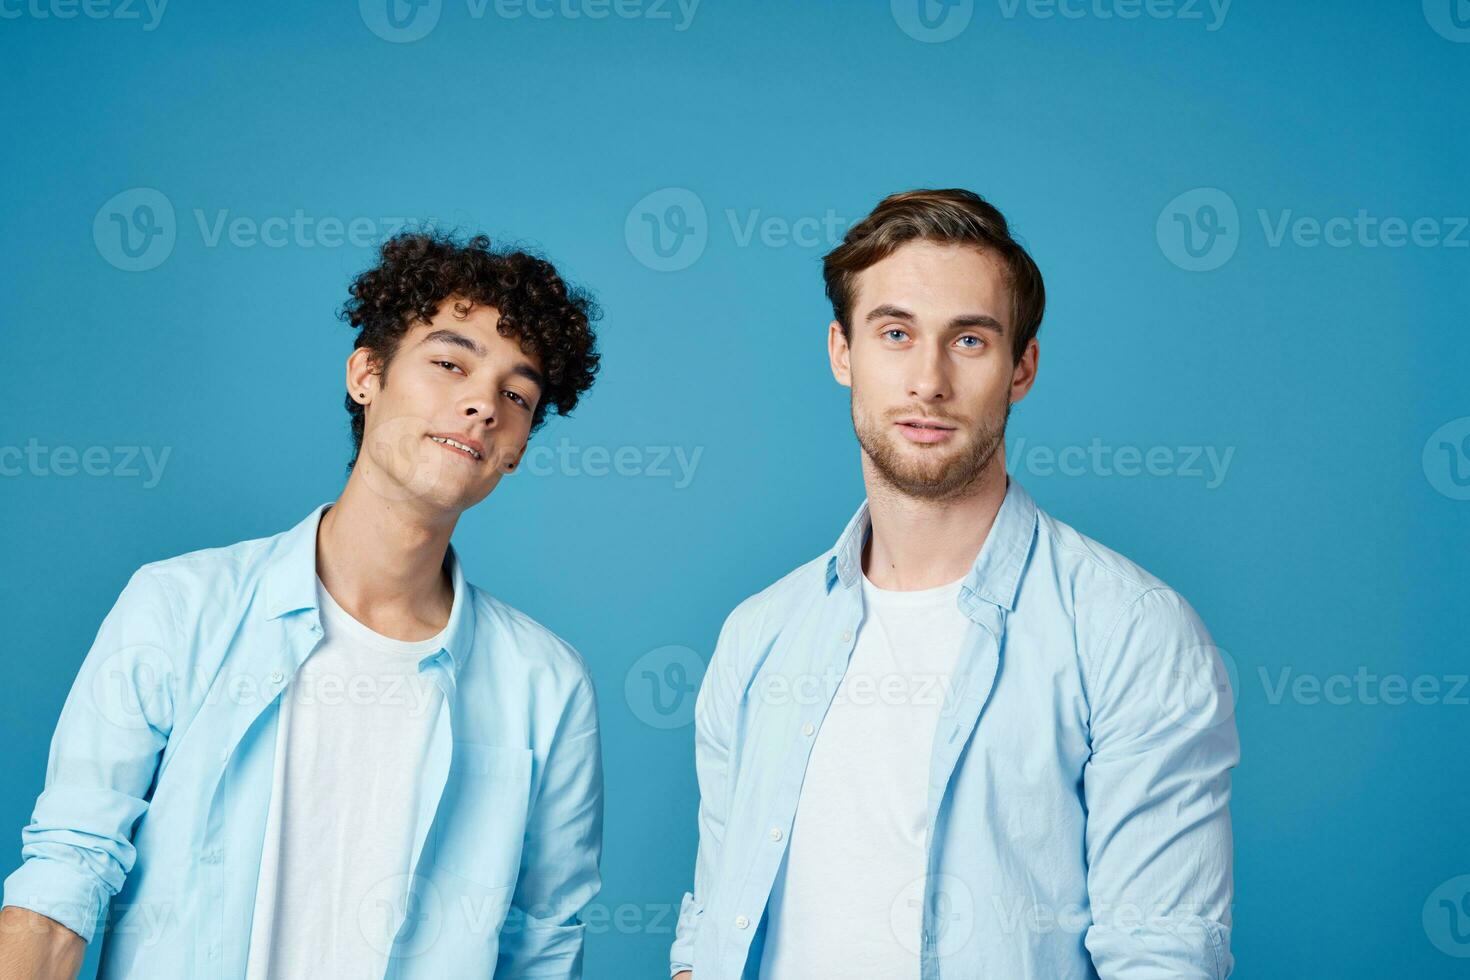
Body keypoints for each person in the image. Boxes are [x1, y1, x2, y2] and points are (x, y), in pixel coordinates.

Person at [0, 231, 605, 979]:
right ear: (365, 375)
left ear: (516, 448)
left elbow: (542, 943)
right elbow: (67, 876)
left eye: (517, 395)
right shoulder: (180, 608)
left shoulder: (546, 684)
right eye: (449, 363)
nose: (483, 403)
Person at [670, 189, 1239, 979]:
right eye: (895, 333)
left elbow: (1163, 955)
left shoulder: (1133, 630)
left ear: (1022, 368)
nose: (928, 381)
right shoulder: (759, 634)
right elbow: (710, 928)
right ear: (843, 352)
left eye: (969, 340)